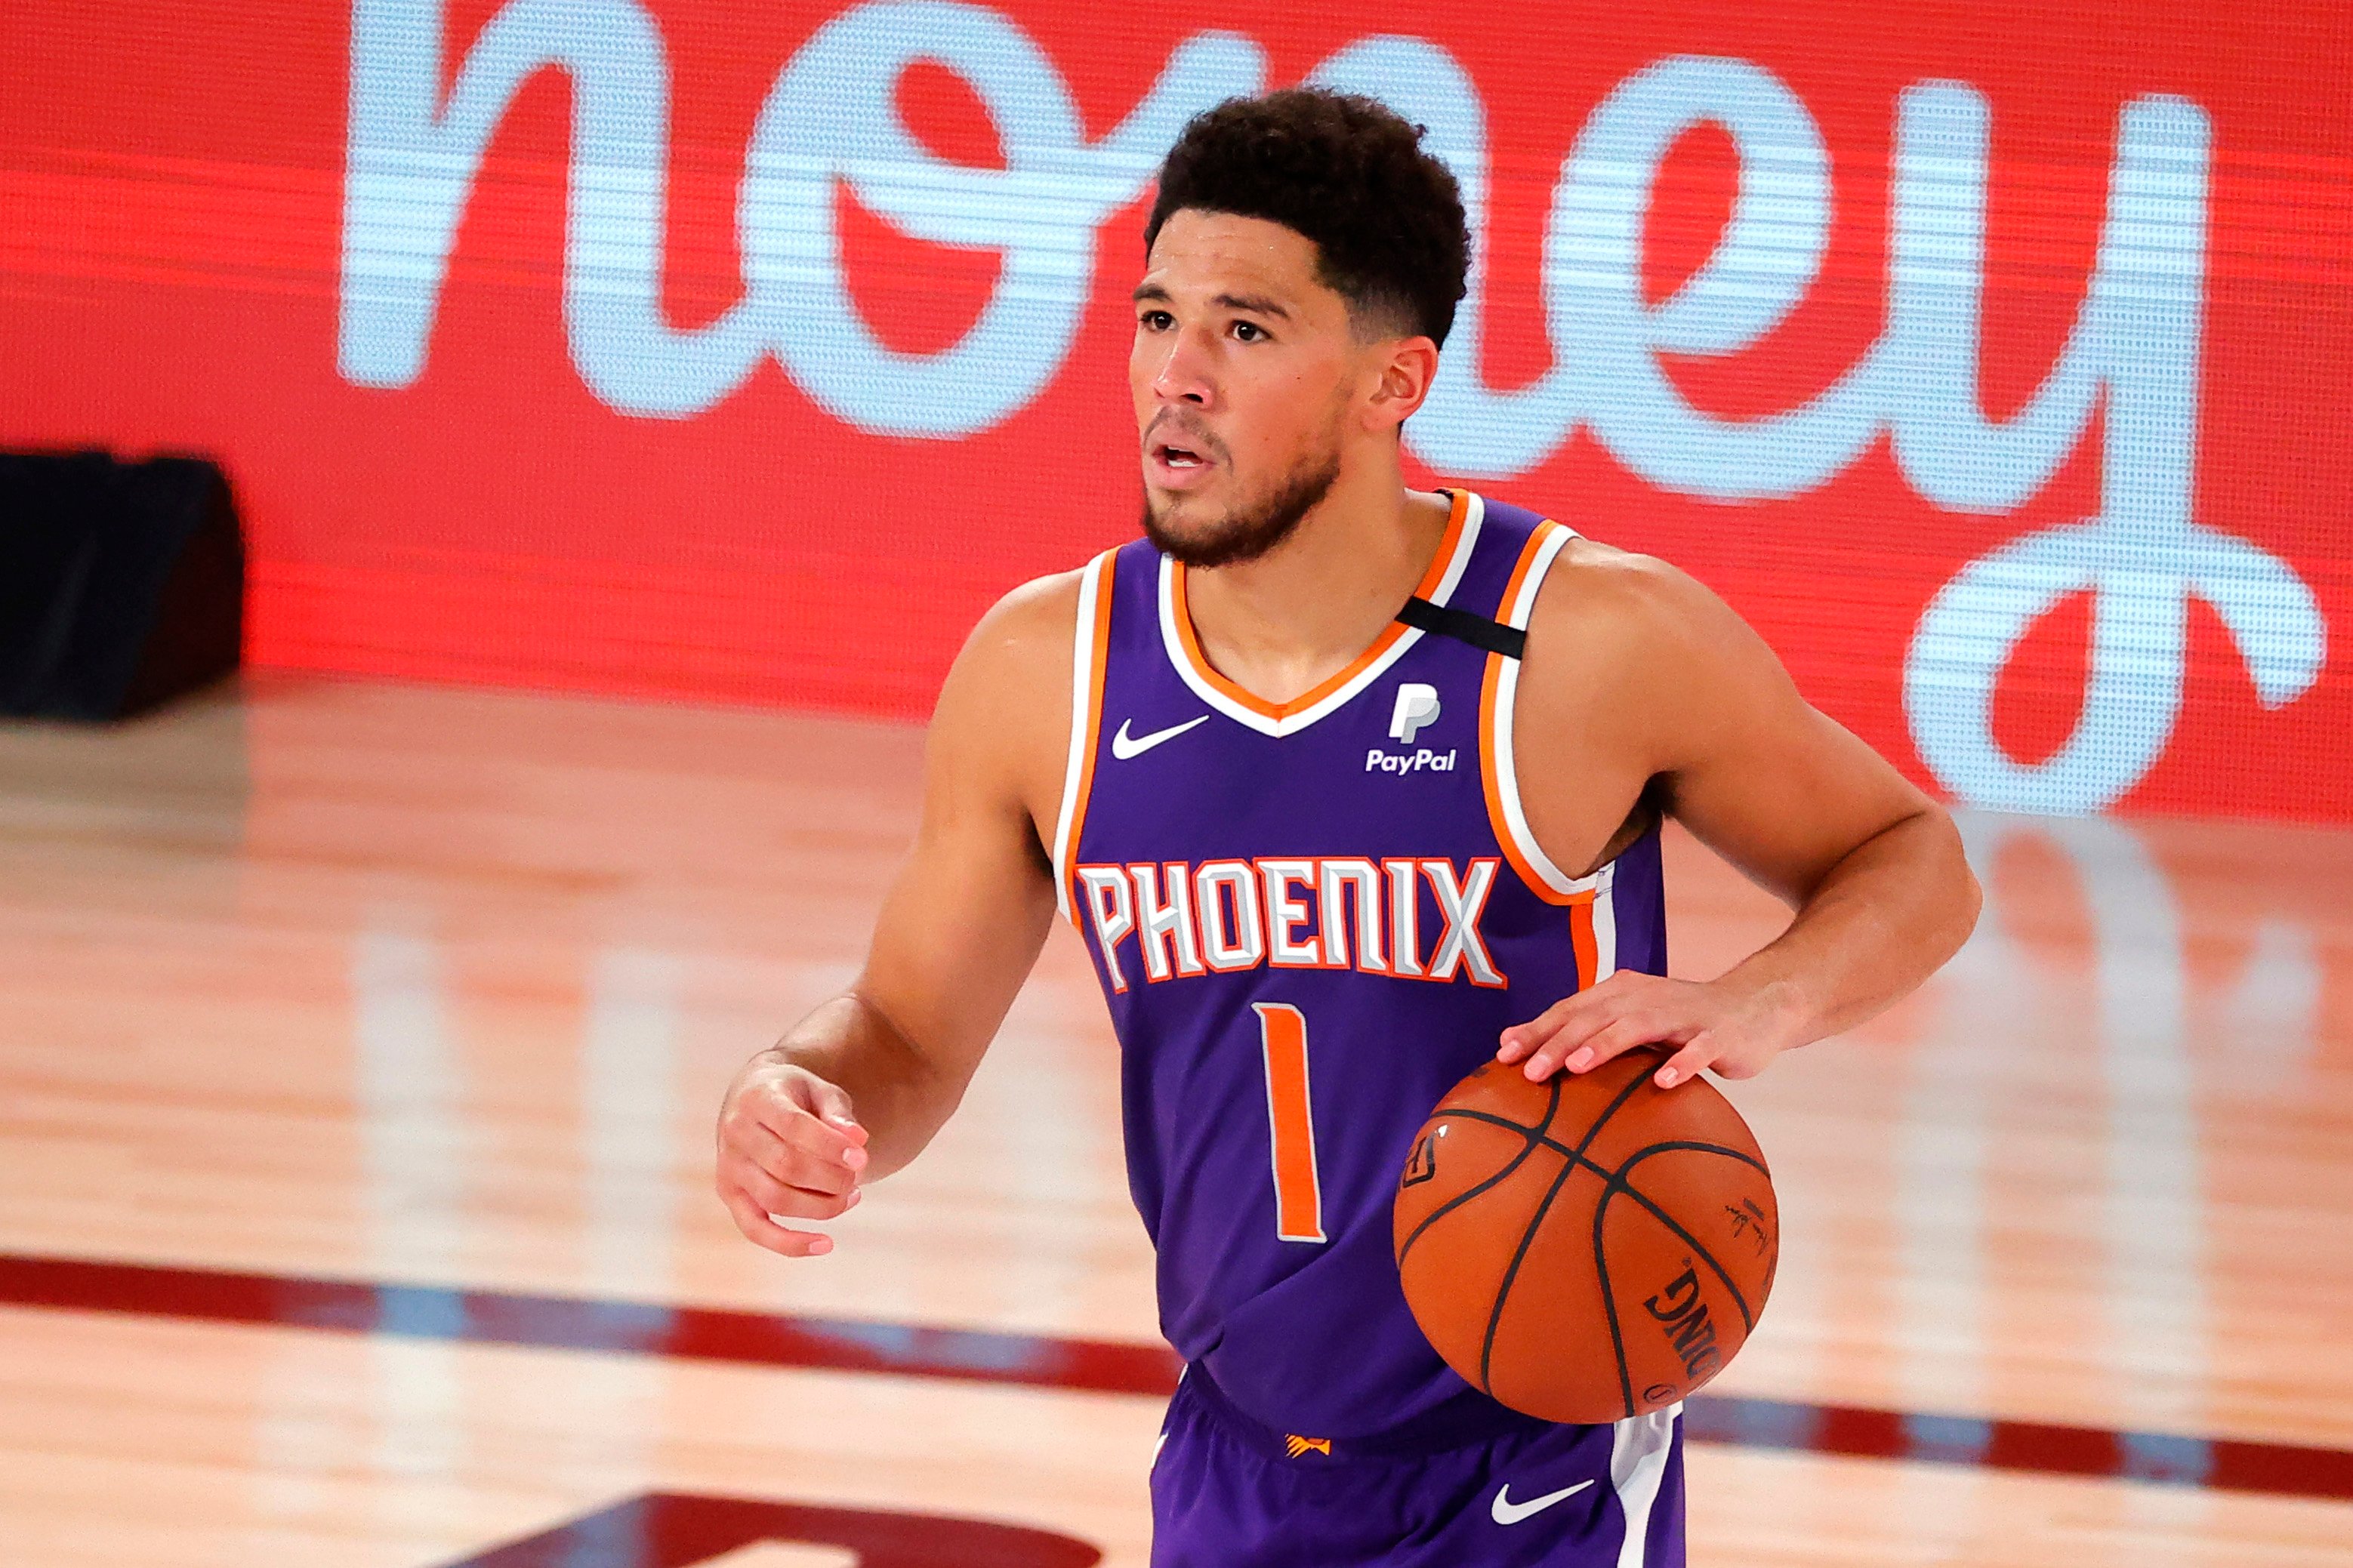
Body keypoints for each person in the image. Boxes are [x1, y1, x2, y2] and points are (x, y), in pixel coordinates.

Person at [715, 88, 1980, 1566]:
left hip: (1534, 1481)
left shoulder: (1581, 642)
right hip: (1227, 1457)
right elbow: (910, 1038)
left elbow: (1914, 858)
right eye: (1153, 315)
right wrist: (795, 1086)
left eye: (1243, 330)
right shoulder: (1040, 671)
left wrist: (1755, 996)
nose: (1174, 375)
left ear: (1393, 382)